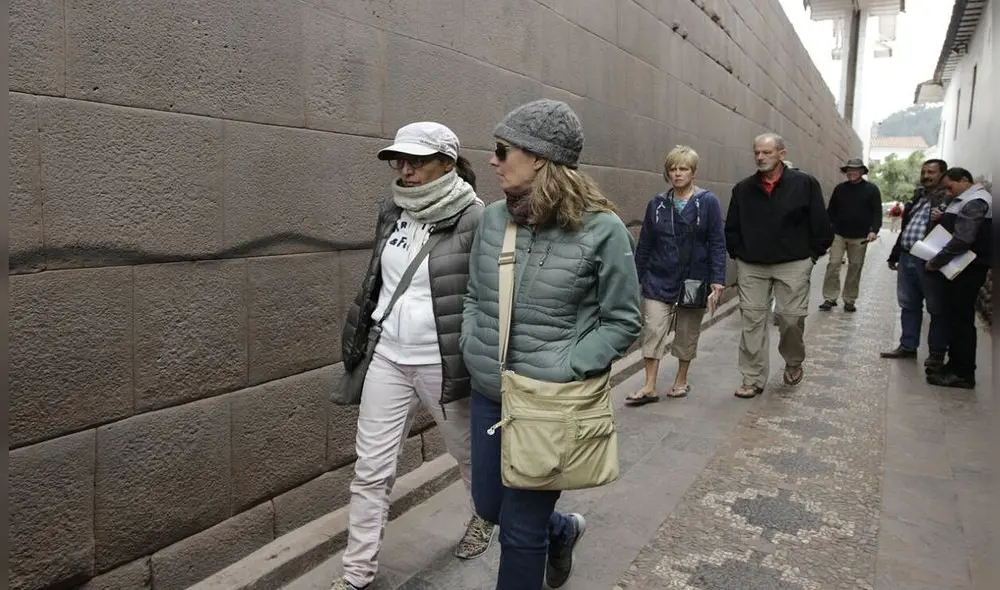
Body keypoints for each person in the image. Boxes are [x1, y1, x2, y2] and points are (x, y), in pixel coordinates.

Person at [461, 99, 641, 589]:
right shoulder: (493, 219)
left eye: (503, 150)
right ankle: (561, 531)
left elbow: (625, 320)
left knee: (520, 530)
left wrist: (569, 365)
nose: (493, 160)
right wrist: (472, 347)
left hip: (549, 401)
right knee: (490, 506)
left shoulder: (602, 229)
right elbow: (476, 293)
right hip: (491, 392)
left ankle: (542, 533)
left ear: (539, 158)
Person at [333, 122, 490, 590]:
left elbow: (487, 295)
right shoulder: (392, 210)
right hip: (387, 356)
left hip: (444, 360)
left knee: (468, 455)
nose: (405, 169)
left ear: (448, 161)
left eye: (417, 160)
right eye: (399, 160)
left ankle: (484, 515)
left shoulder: (476, 217)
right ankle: (356, 573)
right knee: (371, 468)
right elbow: (377, 278)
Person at [724, 133, 833, 398]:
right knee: (752, 321)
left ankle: (793, 359)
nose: (760, 157)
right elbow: (732, 227)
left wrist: (812, 257)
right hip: (752, 265)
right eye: (757, 153)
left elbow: (820, 223)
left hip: (794, 263)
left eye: (767, 152)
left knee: (791, 319)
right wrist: (738, 253)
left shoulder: (805, 184)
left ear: (781, 154)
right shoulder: (743, 189)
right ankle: (752, 378)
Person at [628, 145, 727, 403]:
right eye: (672, 169)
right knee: (652, 328)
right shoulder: (658, 204)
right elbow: (646, 243)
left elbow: (717, 242)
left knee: (686, 331)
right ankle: (649, 385)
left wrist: (717, 279)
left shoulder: (707, 202)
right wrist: (635, 278)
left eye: (683, 169)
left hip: (694, 278)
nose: (677, 174)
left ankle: (681, 380)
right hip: (659, 276)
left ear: (693, 172)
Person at [924, 168, 992, 389]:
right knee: (954, 317)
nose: (947, 191)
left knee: (961, 320)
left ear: (964, 180)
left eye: (950, 186)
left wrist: (937, 260)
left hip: (968, 268)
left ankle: (962, 373)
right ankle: (954, 366)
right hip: (958, 267)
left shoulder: (976, 201)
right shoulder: (962, 199)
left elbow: (963, 238)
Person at [881, 159, 949, 371]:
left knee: (935, 307)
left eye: (931, 172)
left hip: (929, 260)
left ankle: (936, 353)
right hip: (908, 256)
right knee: (908, 304)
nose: (927, 176)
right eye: (924, 172)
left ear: (942, 174)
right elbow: (907, 227)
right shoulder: (919, 197)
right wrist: (895, 254)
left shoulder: (948, 198)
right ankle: (908, 346)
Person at [819, 158, 882, 312]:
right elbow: (831, 211)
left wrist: (874, 230)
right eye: (849, 170)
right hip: (839, 234)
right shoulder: (839, 189)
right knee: (833, 264)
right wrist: (829, 227)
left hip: (860, 236)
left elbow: (877, 212)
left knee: (855, 267)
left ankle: (849, 299)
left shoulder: (872, 189)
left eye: (854, 170)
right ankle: (829, 297)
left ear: (861, 172)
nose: (851, 173)